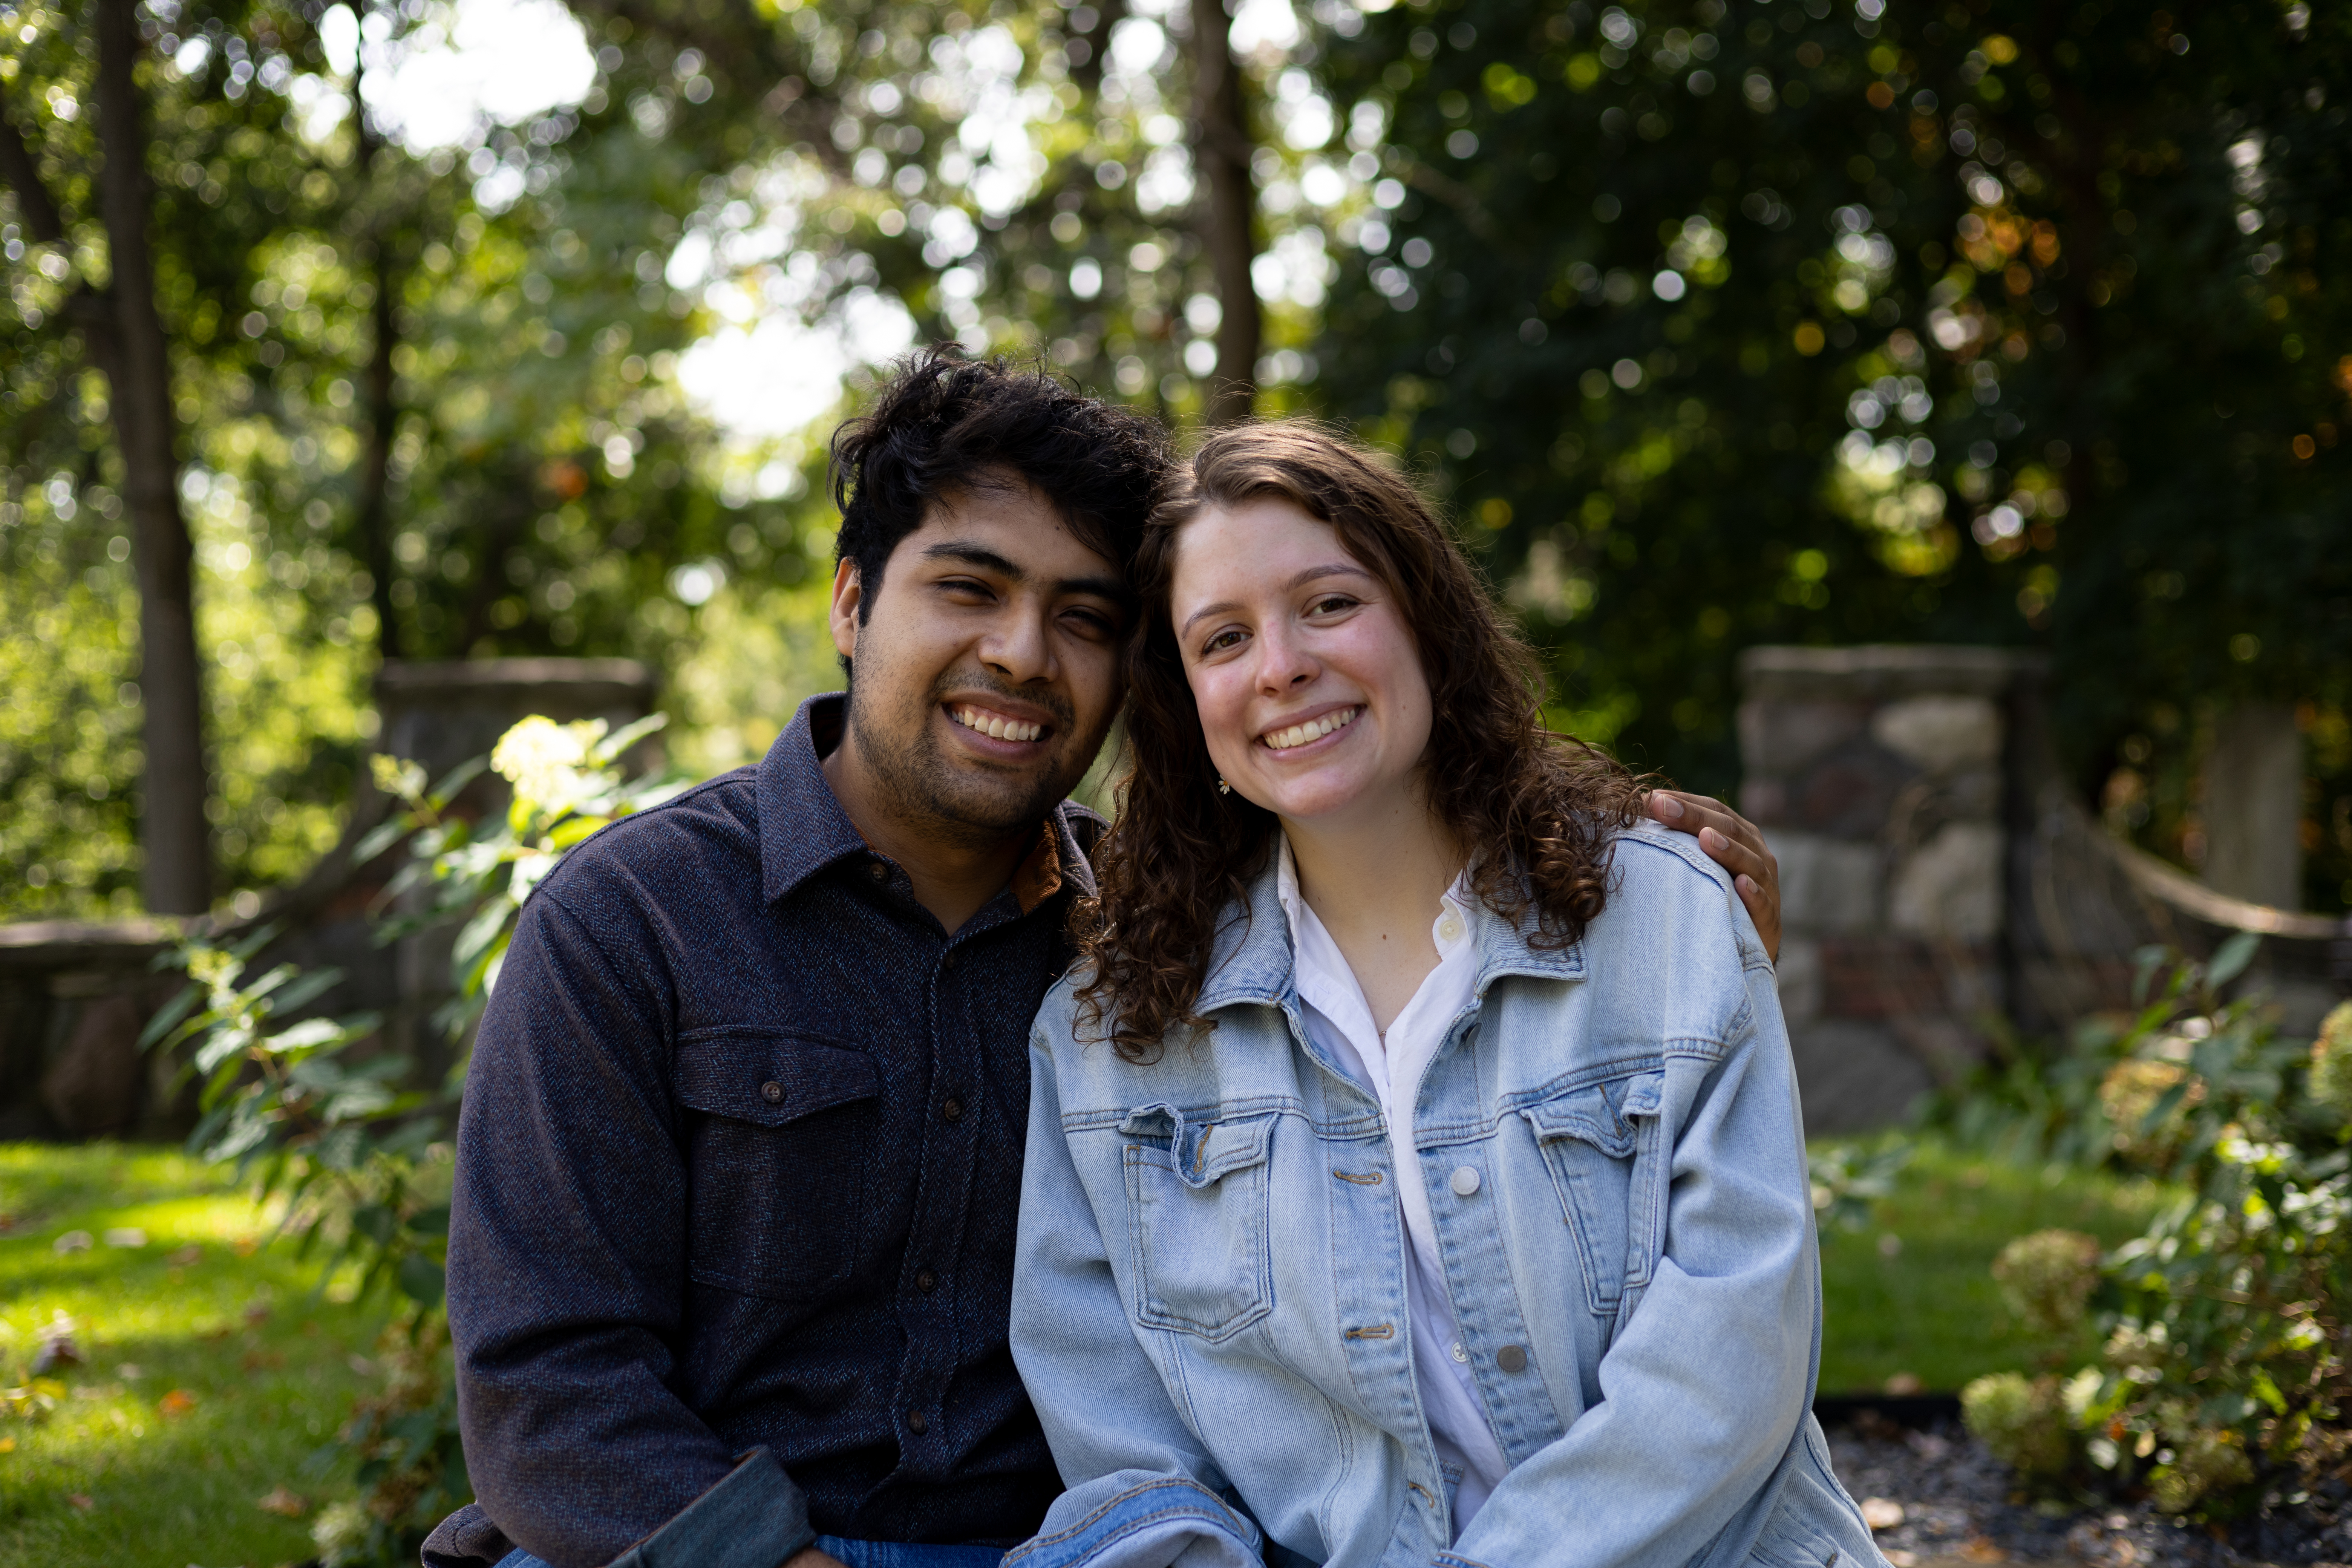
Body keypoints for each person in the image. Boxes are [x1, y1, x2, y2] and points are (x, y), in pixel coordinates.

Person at [421, 350, 1785, 1568]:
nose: (1022, 654)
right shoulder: (634, 920)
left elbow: (1394, 834)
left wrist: (1649, 888)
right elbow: (548, 1383)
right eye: (970, 588)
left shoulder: (1153, 944)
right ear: (852, 602)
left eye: (1084, 617)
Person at [1007, 423, 1880, 1568]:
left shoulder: (1665, 922)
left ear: (1426, 624)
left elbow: (1737, 1347)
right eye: (1224, 639)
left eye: (1328, 605)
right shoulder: (1110, 1040)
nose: (1280, 666)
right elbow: (1129, 1452)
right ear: (1190, 712)